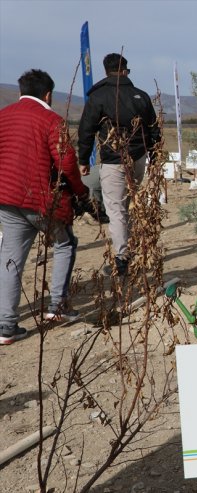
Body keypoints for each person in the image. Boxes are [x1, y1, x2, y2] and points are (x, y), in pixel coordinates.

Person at [0, 69, 89, 345]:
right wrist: (80, 191)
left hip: (7, 197)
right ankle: (58, 307)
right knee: (65, 243)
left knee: (10, 260)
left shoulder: (3, 117)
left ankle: (5, 326)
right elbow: (67, 162)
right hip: (40, 200)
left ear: (20, 91)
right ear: (48, 94)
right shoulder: (52, 120)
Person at [77, 53, 160, 277]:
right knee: (130, 203)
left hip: (114, 161)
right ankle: (132, 248)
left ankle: (122, 258)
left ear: (106, 71)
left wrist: (83, 160)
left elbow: (86, 130)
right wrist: (154, 158)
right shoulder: (140, 96)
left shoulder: (98, 97)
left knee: (116, 209)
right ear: (125, 70)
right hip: (139, 158)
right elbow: (154, 130)